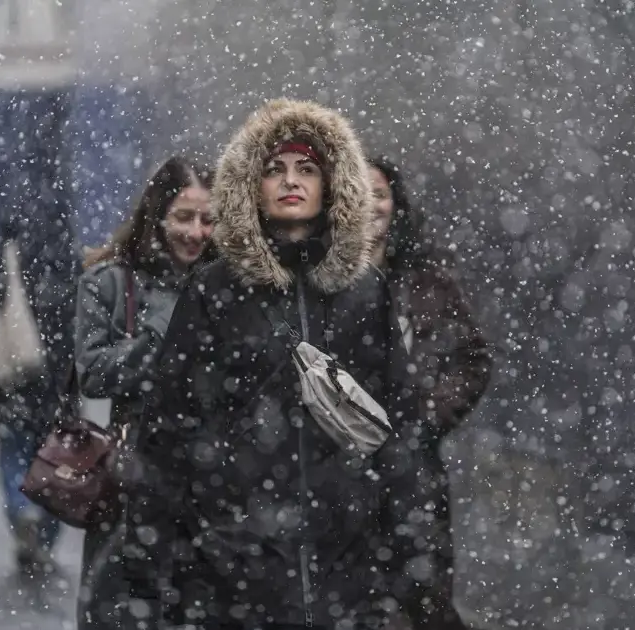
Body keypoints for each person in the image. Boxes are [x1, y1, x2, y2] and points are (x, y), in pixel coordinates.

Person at [126, 99, 439, 630]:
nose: (290, 181)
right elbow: (169, 426)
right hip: (233, 569)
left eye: (307, 168)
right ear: (252, 185)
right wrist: (166, 566)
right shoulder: (215, 289)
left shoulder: (365, 292)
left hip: (347, 566)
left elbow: (402, 429)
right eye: (274, 169)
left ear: (332, 183)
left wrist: (406, 566)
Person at [74, 156, 214, 630]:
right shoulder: (111, 282)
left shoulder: (228, 287)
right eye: (183, 217)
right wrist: (162, 330)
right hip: (130, 482)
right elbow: (92, 373)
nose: (195, 232)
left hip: (209, 487)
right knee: (121, 611)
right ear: (157, 215)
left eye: (207, 219)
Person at [368, 157, 493, 630]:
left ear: (396, 205)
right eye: (359, 194)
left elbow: (473, 357)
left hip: (411, 470)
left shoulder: (427, 282)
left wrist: (428, 415)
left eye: (380, 194)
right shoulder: (315, 281)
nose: (371, 206)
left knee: (423, 601)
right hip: (334, 473)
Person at [0, 211, 78, 577]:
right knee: (55, 459)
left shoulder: (3, 256)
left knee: (12, 448)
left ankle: (20, 508)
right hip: (56, 379)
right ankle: (44, 532)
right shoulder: (67, 258)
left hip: (13, 376)